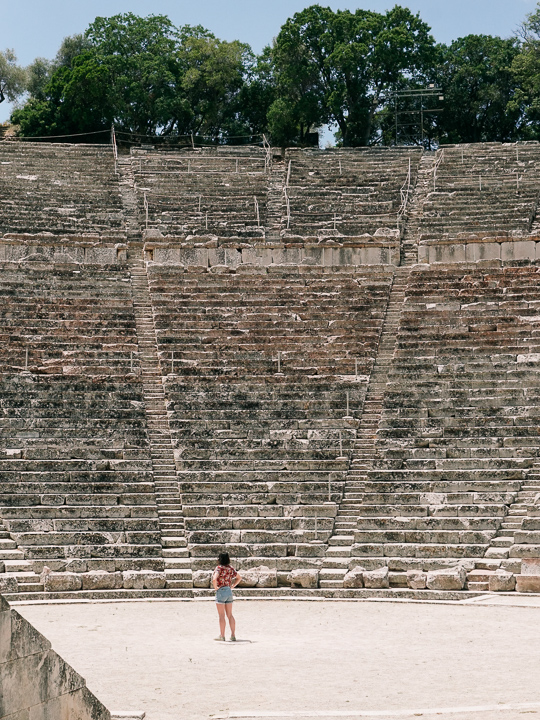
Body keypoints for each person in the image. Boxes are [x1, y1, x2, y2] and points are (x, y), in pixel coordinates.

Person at [212, 551, 241, 641]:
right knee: (230, 615)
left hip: (221, 591)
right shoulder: (230, 568)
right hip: (228, 591)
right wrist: (232, 586)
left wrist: (216, 587)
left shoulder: (219, 568)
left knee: (221, 615)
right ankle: (233, 635)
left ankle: (222, 635)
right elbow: (239, 577)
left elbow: (214, 579)